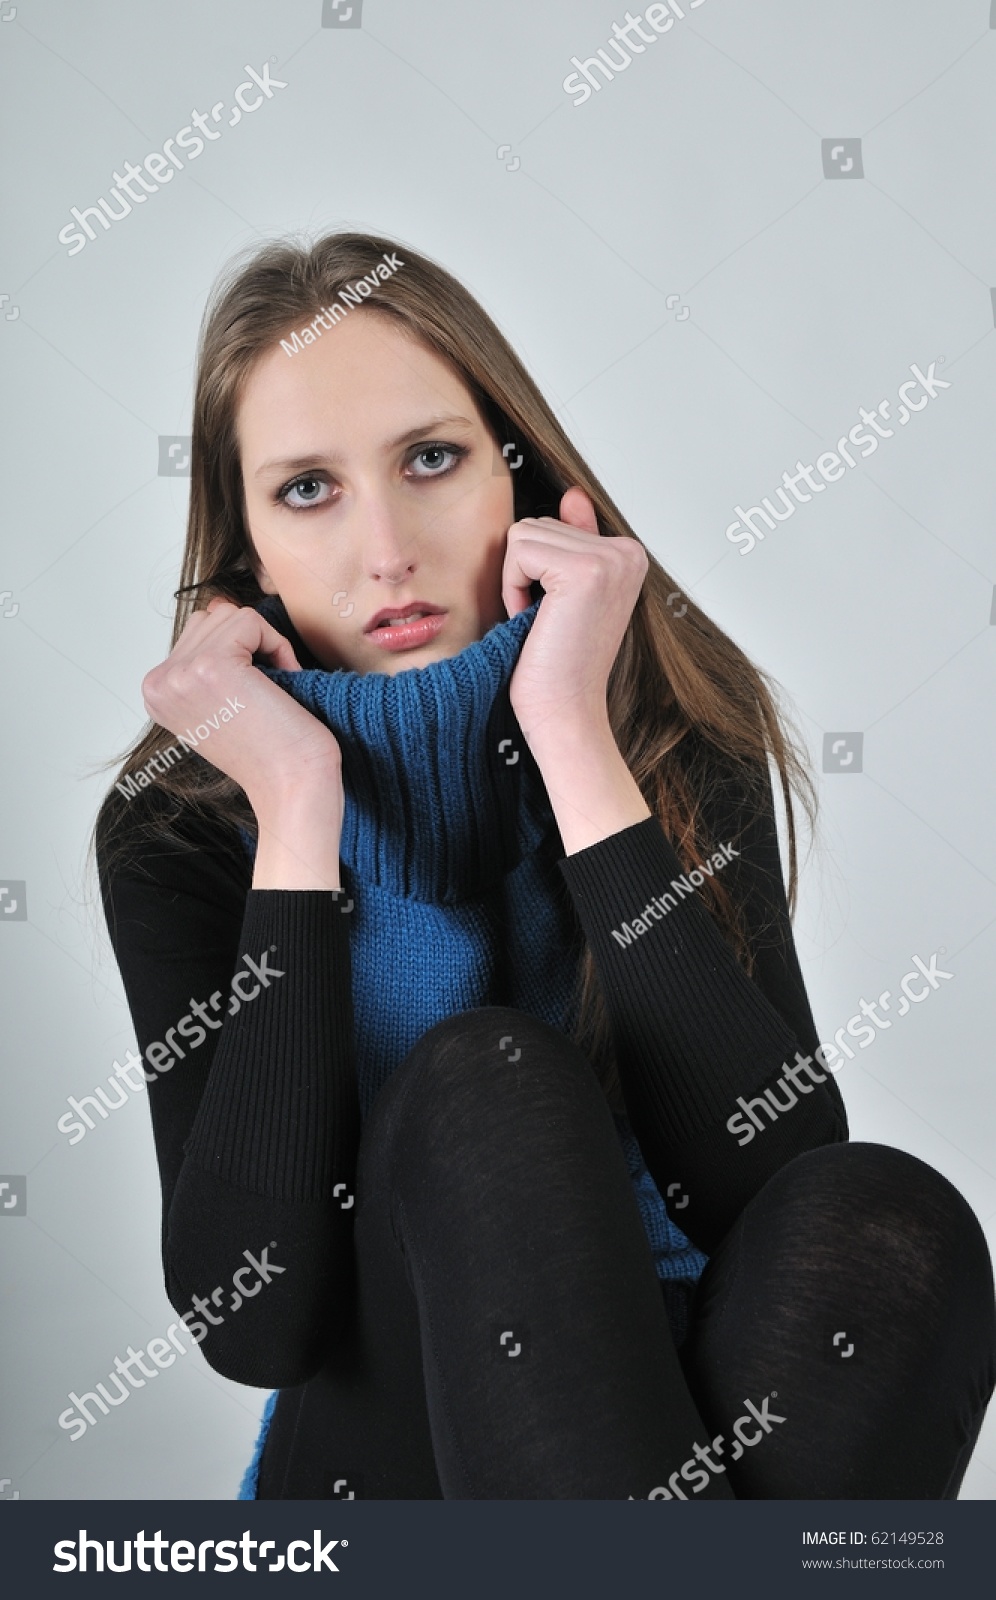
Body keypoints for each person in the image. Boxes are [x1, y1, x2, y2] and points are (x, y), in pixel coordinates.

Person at [94, 231, 995, 1501]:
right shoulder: (181, 824)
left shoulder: (669, 732)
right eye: (309, 489)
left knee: (894, 1217)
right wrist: (297, 809)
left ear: (522, 476)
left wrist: (573, 734)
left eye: (430, 459)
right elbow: (257, 1321)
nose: (388, 547)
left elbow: (767, 1182)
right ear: (241, 554)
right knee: (487, 1081)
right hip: (393, 1465)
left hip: (696, 1439)